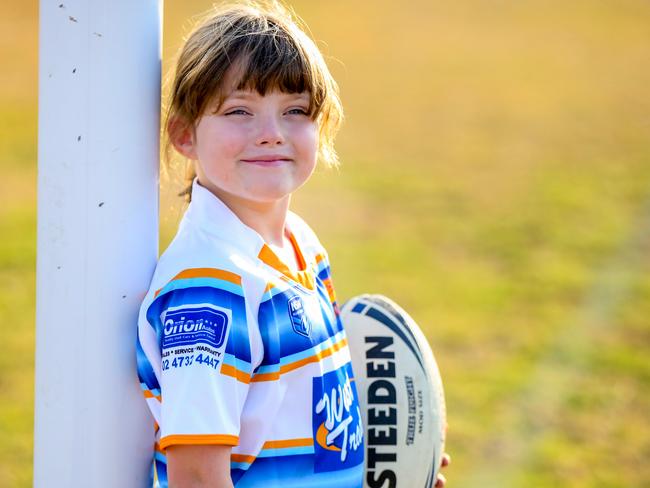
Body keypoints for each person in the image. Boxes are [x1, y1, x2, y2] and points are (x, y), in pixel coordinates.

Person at [136, 1, 449, 486]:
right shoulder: (210, 287)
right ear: (184, 134)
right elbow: (197, 477)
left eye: (295, 111)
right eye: (239, 110)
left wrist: (400, 459)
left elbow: (307, 405)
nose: (270, 134)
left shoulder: (300, 245)